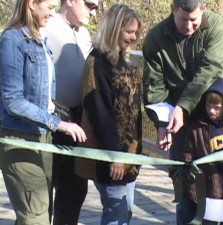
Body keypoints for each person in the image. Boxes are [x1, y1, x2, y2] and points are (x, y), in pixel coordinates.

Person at [0, 0, 87, 224]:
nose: (52, 12)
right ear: (31, 4)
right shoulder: (12, 40)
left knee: (41, 212)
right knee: (35, 216)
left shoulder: (41, 39)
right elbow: (12, 100)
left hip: (43, 138)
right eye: (49, 7)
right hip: (20, 139)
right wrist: (59, 123)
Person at [74, 3, 143, 225]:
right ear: (114, 28)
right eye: (129, 31)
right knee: (116, 215)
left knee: (124, 213)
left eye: (136, 33)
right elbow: (101, 113)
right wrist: (115, 156)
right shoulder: (97, 63)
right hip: (110, 156)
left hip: (129, 156)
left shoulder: (122, 60)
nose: (133, 37)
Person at [142, 0, 223, 159]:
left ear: (204, 8)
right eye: (183, 19)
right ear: (173, 9)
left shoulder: (216, 26)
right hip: (175, 116)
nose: (188, 26)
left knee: (216, 175)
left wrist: (184, 105)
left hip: (211, 112)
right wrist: (162, 124)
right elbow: (154, 85)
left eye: (194, 20)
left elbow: (212, 69)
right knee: (182, 173)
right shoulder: (155, 38)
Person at [44, 0, 98, 224]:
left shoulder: (85, 33)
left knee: (75, 189)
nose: (93, 12)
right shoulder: (45, 25)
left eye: (96, 8)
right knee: (41, 192)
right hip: (50, 121)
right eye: (89, 5)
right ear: (71, 1)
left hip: (77, 122)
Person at [179, 78, 223, 225]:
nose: (211, 110)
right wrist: (192, 189)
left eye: (217, 107)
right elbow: (188, 159)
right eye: (208, 105)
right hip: (208, 188)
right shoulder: (196, 128)